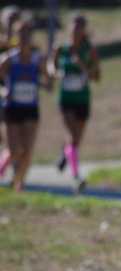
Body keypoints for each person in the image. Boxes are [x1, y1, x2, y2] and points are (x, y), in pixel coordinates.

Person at [49, 13, 100, 193]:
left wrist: (83, 67)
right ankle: (76, 176)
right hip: (66, 99)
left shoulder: (90, 50)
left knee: (76, 141)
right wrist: (56, 73)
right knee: (71, 136)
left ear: (84, 29)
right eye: (74, 25)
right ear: (69, 27)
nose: (77, 29)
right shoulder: (61, 48)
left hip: (83, 99)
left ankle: (65, 155)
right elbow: (51, 66)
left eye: (80, 26)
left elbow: (96, 76)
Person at [0, 14, 51, 192]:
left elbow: (48, 83)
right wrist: (4, 91)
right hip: (12, 108)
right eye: (20, 34)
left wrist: (44, 81)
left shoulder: (38, 60)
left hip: (30, 108)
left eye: (27, 34)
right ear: (15, 36)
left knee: (27, 152)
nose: (23, 38)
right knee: (14, 150)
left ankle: (18, 183)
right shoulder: (8, 59)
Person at [0, 5, 20, 181]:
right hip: (3, 96)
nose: (12, 23)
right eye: (9, 20)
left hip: (14, 101)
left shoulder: (20, 45)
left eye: (15, 19)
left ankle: (14, 173)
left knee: (13, 143)